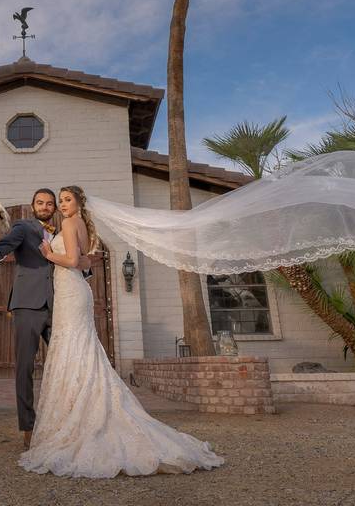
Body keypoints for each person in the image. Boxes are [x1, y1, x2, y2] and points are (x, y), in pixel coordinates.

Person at [17, 185, 224, 478]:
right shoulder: (81, 225)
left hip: (71, 293)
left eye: (67, 200)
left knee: (75, 349)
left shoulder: (70, 223)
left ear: (77, 203)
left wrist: (50, 253)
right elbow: (87, 261)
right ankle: (81, 413)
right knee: (78, 350)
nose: (62, 205)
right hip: (72, 291)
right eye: (60, 201)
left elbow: (75, 261)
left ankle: (81, 419)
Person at [0, 188, 90, 450]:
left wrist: (84, 275)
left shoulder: (62, 230)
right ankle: (28, 427)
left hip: (60, 306)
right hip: (27, 307)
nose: (45, 206)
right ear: (33, 206)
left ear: (55, 208)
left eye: (49, 203)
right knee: (24, 368)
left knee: (69, 363)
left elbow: (75, 262)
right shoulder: (23, 228)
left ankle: (70, 422)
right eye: (40, 203)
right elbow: (0, 249)